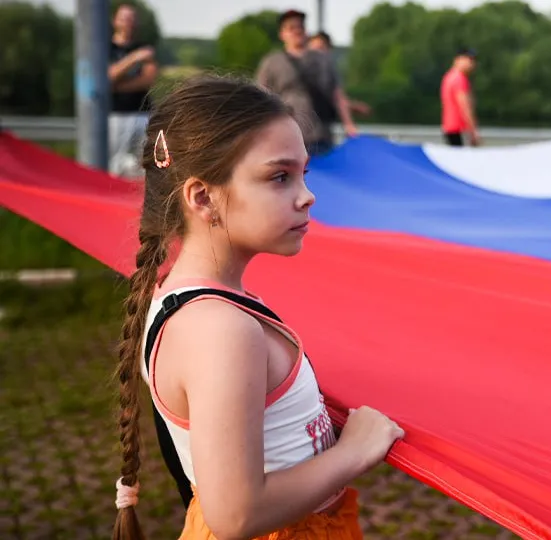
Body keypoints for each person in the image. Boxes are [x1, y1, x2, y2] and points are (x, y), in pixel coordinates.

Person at [110, 75, 404, 540]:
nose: (307, 196)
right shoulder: (220, 331)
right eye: (279, 176)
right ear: (203, 197)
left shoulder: (197, 304)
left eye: (303, 174)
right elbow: (237, 515)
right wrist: (355, 452)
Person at [255, 10, 356, 156]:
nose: (297, 31)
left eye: (300, 27)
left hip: (321, 135)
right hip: (288, 136)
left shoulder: (323, 60)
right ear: (282, 34)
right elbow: (261, 100)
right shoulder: (272, 63)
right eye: (291, 28)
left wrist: (349, 125)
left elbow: (337, 94)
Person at [107, 2, 157, 177]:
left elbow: (148, 80)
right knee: (113, 165)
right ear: (115, 21)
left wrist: (116, 86)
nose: (128, 22)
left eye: (131, 19)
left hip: (142, 113)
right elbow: (108, 76)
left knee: (144, 166)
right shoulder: (105, 48)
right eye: (124, 18)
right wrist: (135, 58)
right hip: (115, 114)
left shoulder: (144, 47)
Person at [306, 31, 372, 118]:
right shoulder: (299, 69)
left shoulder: (330, 71)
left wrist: (351, 106)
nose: (318, 53)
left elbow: (338, 97)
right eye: (315, 49)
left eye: (322, 48)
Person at [440, 48, 480, 146]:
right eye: (469, 60)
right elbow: (465, 106)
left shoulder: (448, 77)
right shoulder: (460, 79)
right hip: (460, 129)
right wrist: (473, 131)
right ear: (458, 60)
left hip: (448, 128)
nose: (472, 64)